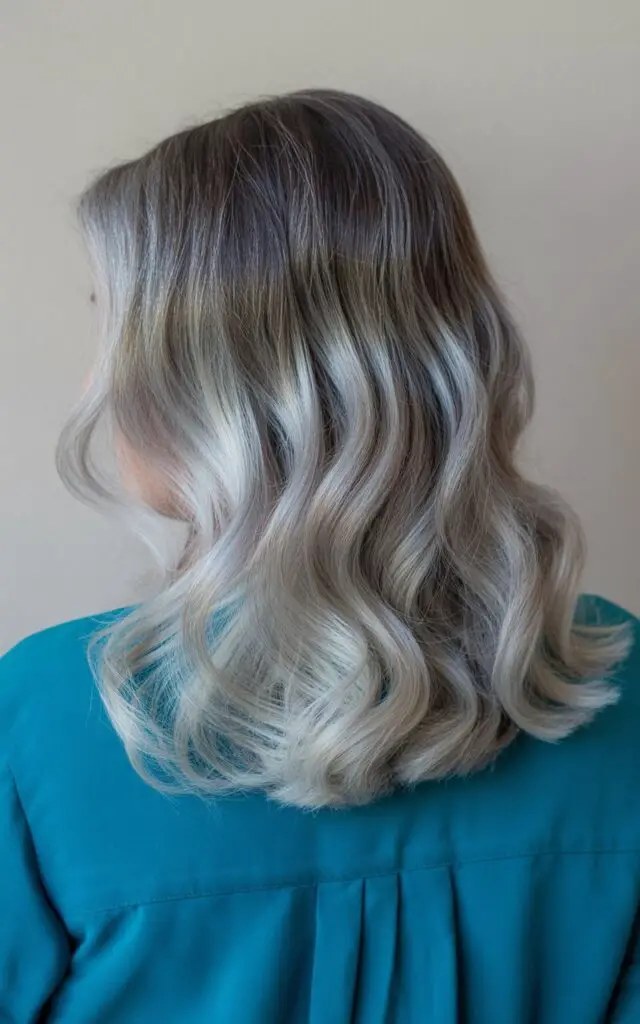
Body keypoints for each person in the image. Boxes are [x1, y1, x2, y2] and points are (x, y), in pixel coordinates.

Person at [0, 89, 638, 1023]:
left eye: (114, 323)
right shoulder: (614, 678)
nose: (97, 381)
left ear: (217, 371)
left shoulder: (51, 713)